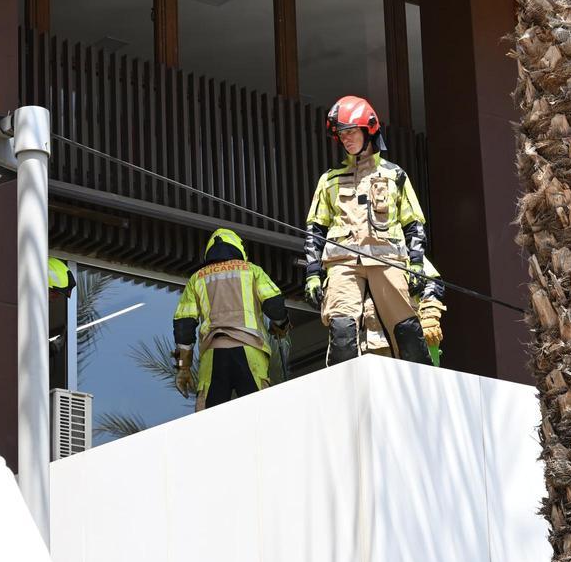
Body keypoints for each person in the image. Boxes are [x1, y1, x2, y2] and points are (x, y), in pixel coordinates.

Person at [304, 95, 431, 366]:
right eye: (341, 134)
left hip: (388, 262)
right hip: (342, 265)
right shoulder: (329, 180)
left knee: (407, 330)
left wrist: (418, 265)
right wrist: (313, 274)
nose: (346, 139)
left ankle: (422, 393)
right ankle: (346, 398)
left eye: (351, 132)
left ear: (369, 129)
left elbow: (414, 224)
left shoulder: (395, 175)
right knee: (341, 332)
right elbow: (315, 230)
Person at [173, 228, 291, 411]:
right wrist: (281, 326)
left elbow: (183, 326)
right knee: (259, 415)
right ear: (238, 247)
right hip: (250, 349)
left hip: (214, 355)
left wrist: (183, 367)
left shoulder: (197, 279)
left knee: (208, 422)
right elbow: (275, 306)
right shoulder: (252, 271)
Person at [362, 256, 446, 365]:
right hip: (365, 345)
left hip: (407, 340)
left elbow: (432, 283)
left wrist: (429, 316)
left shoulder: (405, 249)